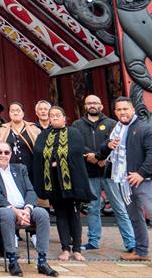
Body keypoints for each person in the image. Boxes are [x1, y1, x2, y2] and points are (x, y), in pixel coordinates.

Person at [101, 97, 152, 273]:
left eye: (125, 109)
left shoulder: (145, 129)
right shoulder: (116, 130)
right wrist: (108, 145)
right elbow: (104, 148)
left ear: (133, 110)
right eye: (119, 110)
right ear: (115, 112)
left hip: (144, 181)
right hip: (124, 181)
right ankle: (141, 251)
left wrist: (141, 173)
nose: (122, 112)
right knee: (135, 217)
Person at [72, 94, 135, 252]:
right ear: (85, 106)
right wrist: (91, 156)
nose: (92, 105)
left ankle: (131, 243)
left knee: (119, 207)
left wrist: (102, 157)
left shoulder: (112, 124)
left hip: (110, 172)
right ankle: (93, 241)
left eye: (95, 103)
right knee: (93, 208)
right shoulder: (77, 124)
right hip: (89, 172)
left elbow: (117, 143)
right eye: (89, 103)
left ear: (101, 106)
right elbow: (76, 144)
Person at [0, 141, 58, 277]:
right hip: (2, 208)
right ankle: (12, 260)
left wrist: (27, 210)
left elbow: (30, 191)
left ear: (11, 154)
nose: (3, 155)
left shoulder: (20, 168)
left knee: (42, 213)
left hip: (24, 208)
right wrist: (16, 211)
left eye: (6, 152)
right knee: (7, 214)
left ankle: (42, 261)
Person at [32, 106, 94, 263]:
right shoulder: (44, 135)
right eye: (51, 116)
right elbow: (39, 152)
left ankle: (77, 249)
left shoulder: (73, 133)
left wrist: (57, 162)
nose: (54, 118)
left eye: (57, 115)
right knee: (60, 215)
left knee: (74, 215)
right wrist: (54, 161)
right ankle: (65, 248)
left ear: (64, 118)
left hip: (72, 182)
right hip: (53, 183)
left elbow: (75, 152)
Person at [0, 102, 40, 173]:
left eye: (18, 110)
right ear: (9, 113)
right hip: (9, 171)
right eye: (12, 111)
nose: (15, 113)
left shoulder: (33, 129)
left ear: (23, 113)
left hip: (31, 170)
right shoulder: (2, 130)